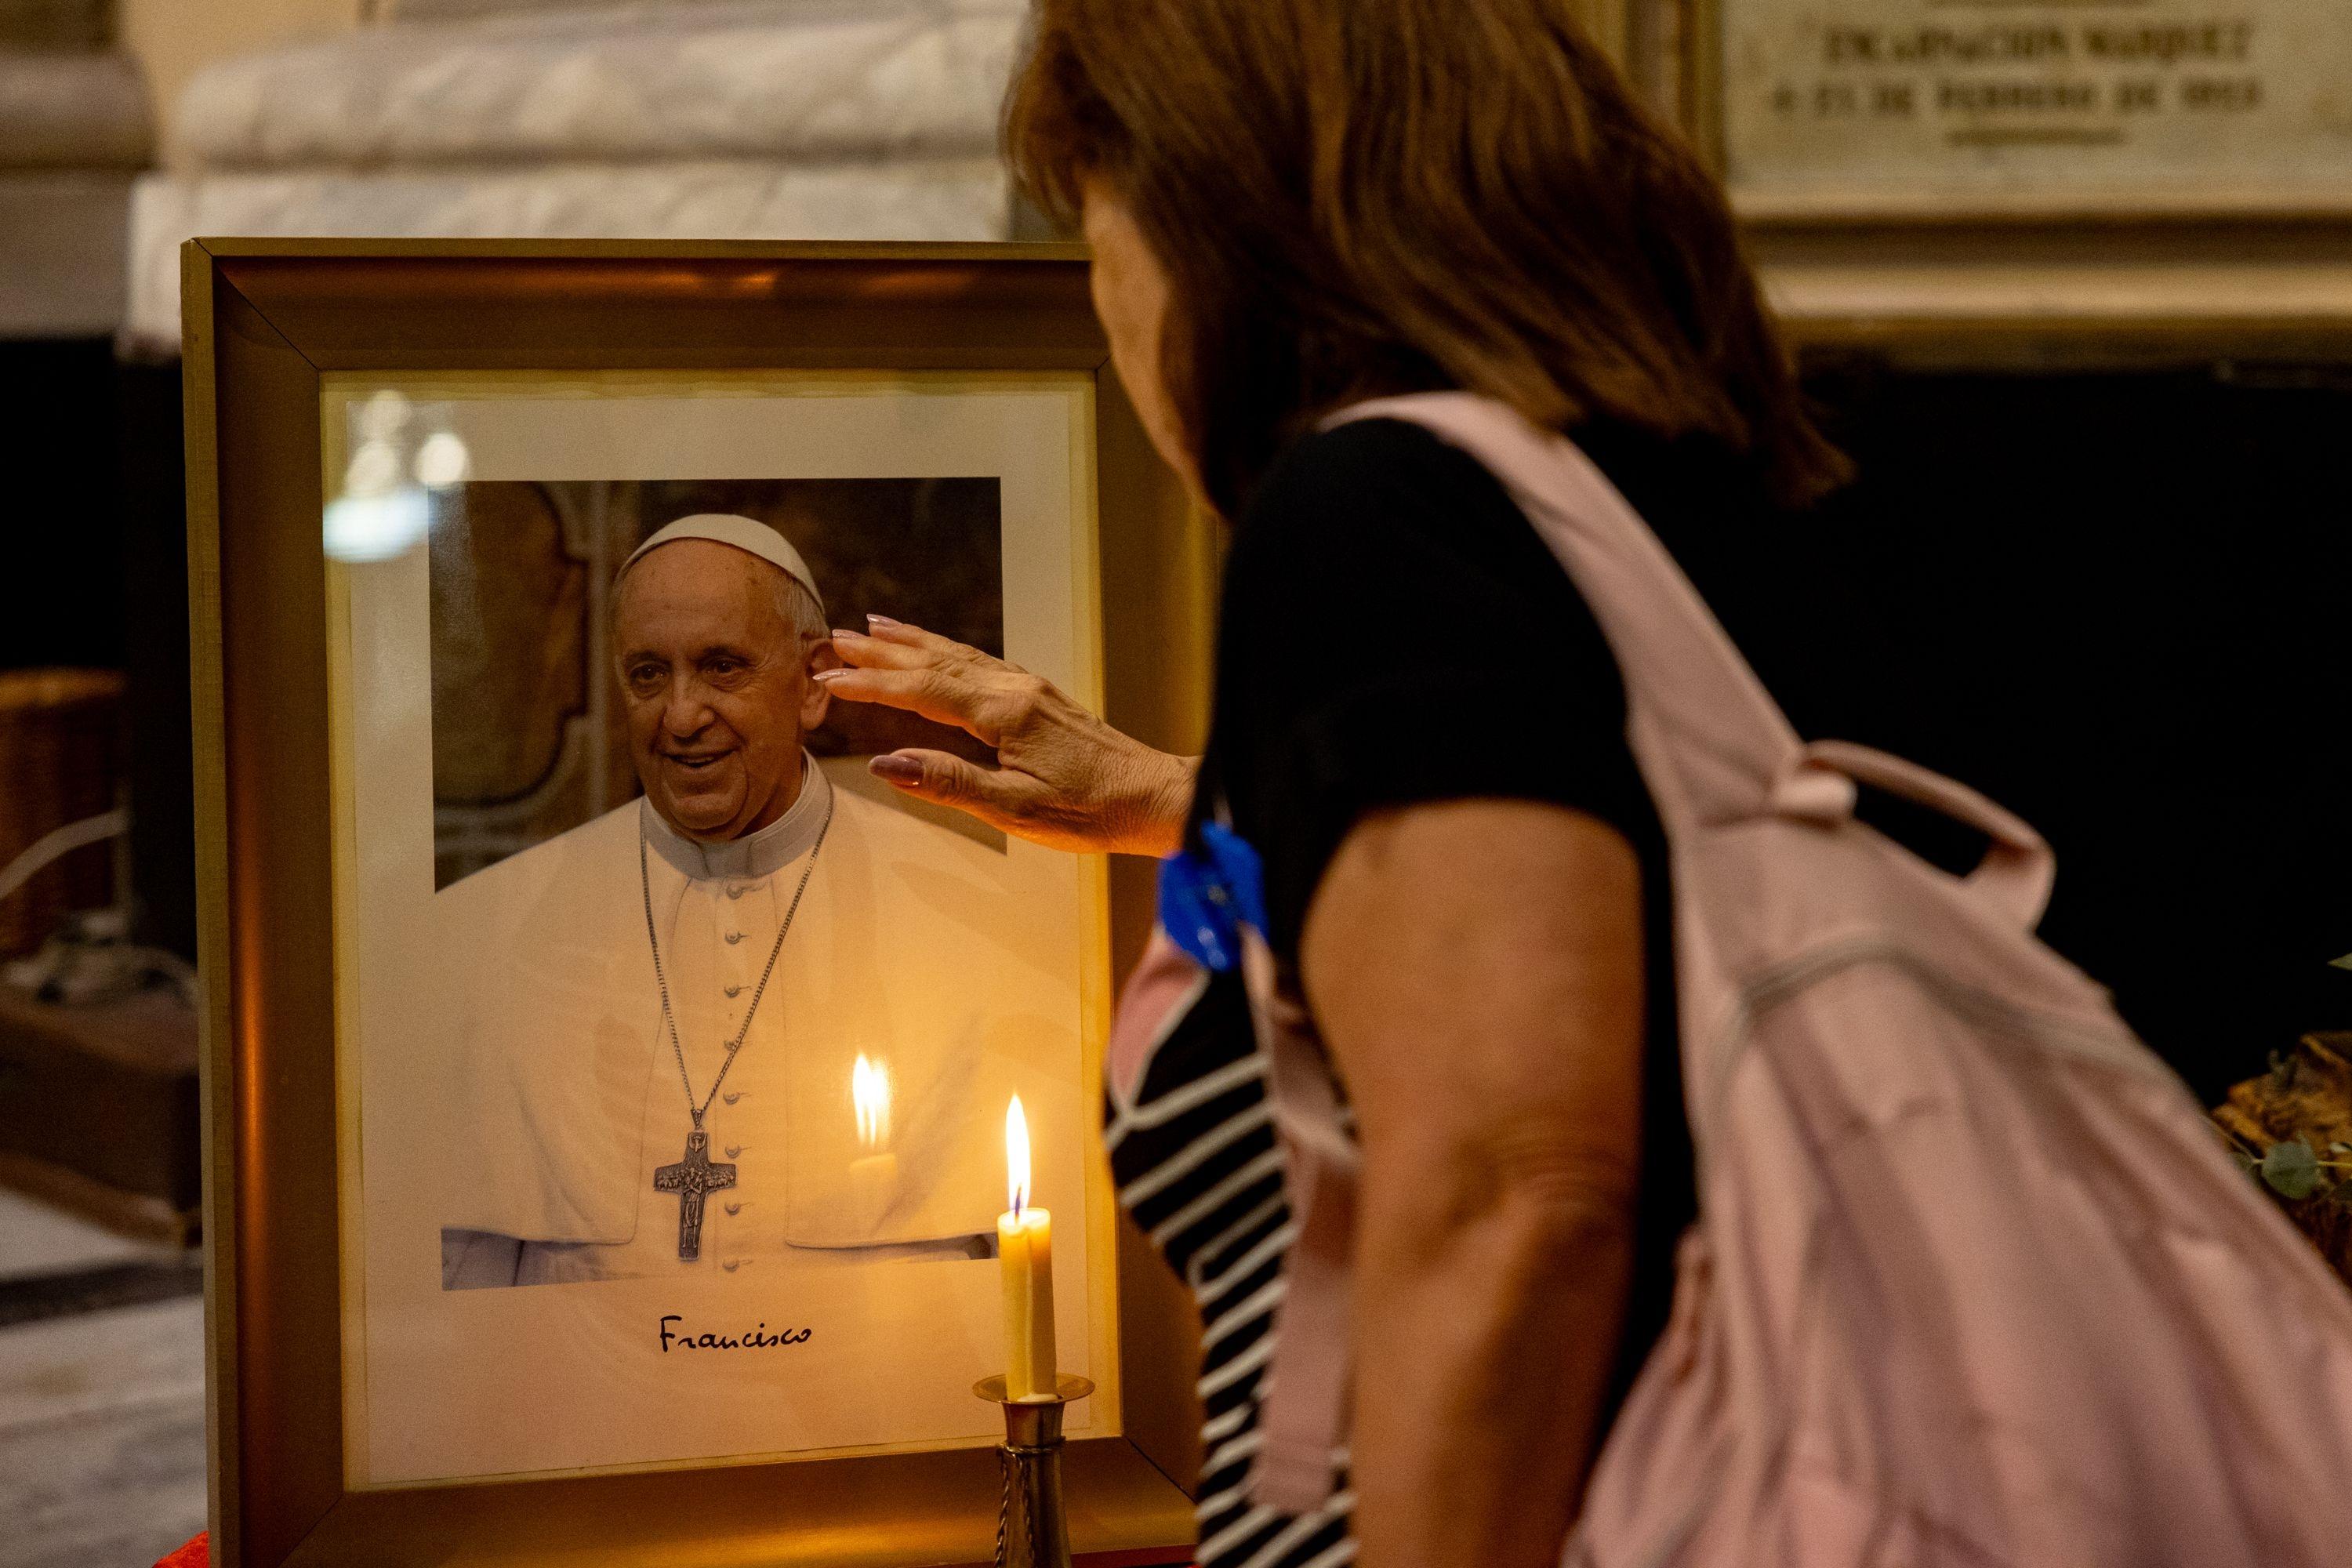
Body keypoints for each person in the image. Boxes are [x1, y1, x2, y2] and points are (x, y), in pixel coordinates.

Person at [812, 2, 1851, 1564]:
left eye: (1101, 243)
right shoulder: (1671, 493)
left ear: (1219, 226)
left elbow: (1520, 1193)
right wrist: (1186, 795)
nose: (1107, 314)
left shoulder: (1373, 513)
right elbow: (1598, 873)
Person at [436, 514, 1036, 1290]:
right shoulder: (487, 931)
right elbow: (467, 1301)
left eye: (721, 666)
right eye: (648, 673)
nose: (680, 716)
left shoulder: (974, 917)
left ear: (816, 683)